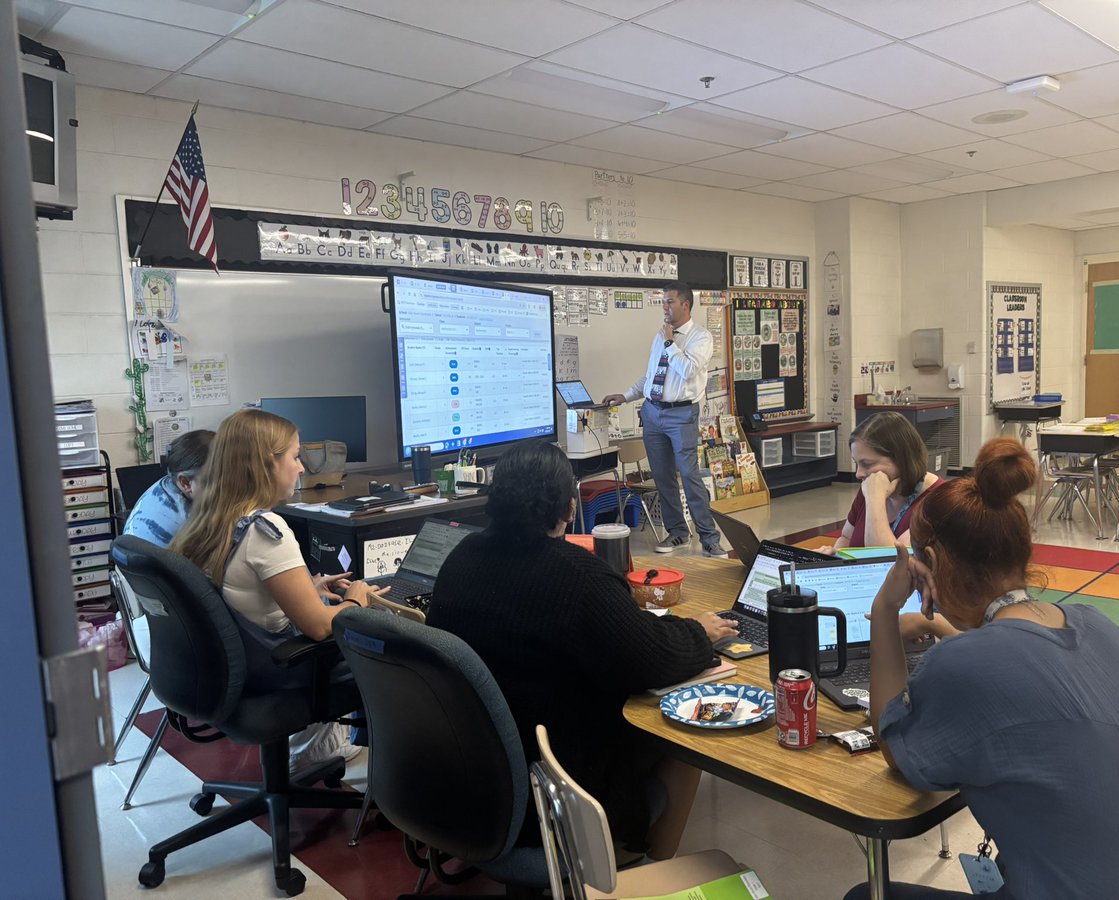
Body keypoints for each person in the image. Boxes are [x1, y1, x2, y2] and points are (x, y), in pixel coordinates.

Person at [846, 438, 1119, 899]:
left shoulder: (963, 666)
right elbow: (1029, 676)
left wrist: (886, 612)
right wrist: (947, 631)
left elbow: (894, 744)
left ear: (930, 565)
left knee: (865, 895)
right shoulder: (1097, 624)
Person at [427, 441, 737, 858]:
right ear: (569, 509)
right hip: (558, 783)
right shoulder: (576, 576)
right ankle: (649, 869)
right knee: (683, 737)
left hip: (474, 777)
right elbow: (651, 660)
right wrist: (698, 632)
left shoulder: (461, 557)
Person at [170, 408, 381, 769]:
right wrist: (355, 600)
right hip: (278, 672)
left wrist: (307, 587)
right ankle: (343, 755)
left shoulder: (207, 521)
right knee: (383, 642)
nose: (301, 468)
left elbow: (239, 590)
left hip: (227, 670)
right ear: (266, 464)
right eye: (295, 457)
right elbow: (318, 627)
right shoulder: (267, 531)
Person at [603, 281, 723, 557]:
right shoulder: (660, 336)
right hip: (653, 411)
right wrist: (626, 395)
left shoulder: (700, 338)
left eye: (670, 302)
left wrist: (670, 342)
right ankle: (678, 532)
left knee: (689, 475)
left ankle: (709, 537)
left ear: (685, 304)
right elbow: (652, 376)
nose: (665, 308)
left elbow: (688, 370)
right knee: (662, 476)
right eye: (663, 302)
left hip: (682, 414)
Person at [820, 411, 942, 553]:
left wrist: (875, 499)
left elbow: (887, 560)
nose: (858, 474)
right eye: (856, 463)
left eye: (867, 464)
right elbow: (846, 538)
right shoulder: (870, 485)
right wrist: (833, 554)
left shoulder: (938, 502)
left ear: (901, 459)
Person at [122, 429, 214, 547]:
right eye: (214, 482)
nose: (224, 489)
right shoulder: (188, 522)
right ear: (185, 483)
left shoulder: (165, 484)